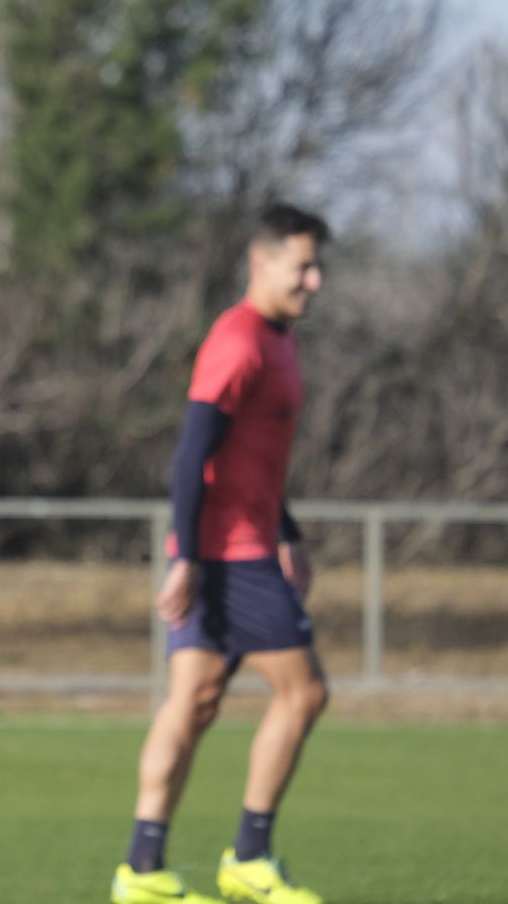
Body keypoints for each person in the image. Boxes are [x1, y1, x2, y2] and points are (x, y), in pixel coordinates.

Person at [111, 204, 332, 904]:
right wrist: (188, 558)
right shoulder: (240, 342)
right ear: (260, 263)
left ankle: (142, 870)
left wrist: (288, 529)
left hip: (240, 545)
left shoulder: (281, 338)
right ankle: (250, 855)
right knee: (305, 691)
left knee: (194, 700)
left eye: (317, 266)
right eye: (303, 266)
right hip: (228, 555)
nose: (315, 280)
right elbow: (191, 455)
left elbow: (252, 459)